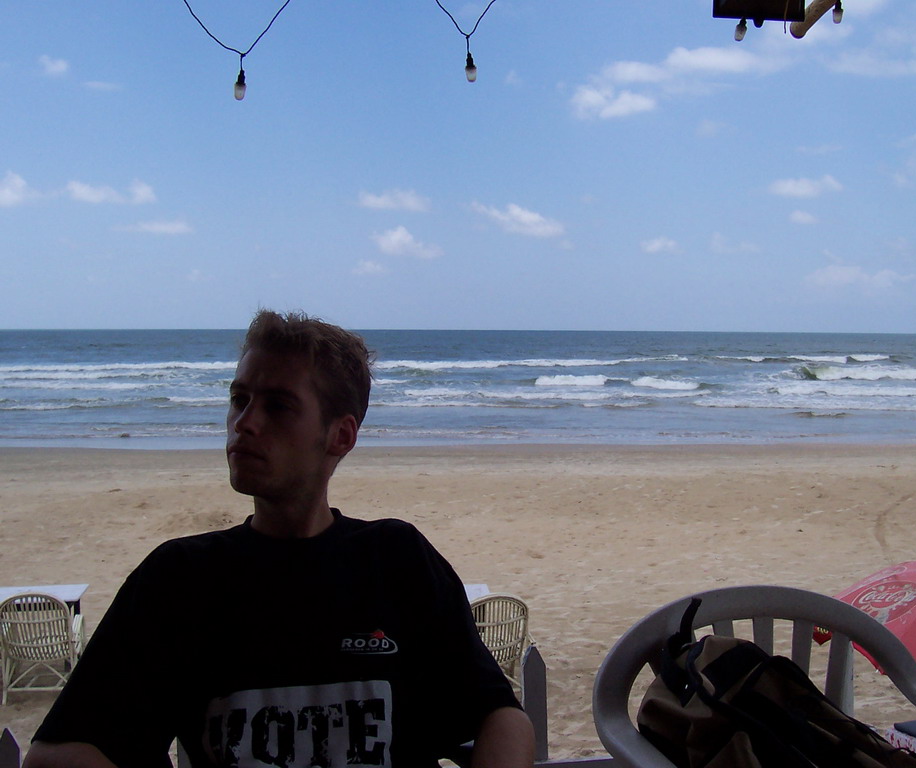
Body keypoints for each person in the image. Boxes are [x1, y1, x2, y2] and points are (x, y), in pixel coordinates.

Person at [24, 310, 535, 768]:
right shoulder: (180, 579)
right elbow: (59, 752)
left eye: (278, 406)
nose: (244, 424)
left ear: (341, 436)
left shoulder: (397, 561)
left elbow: (502, 718)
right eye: (239, 400)